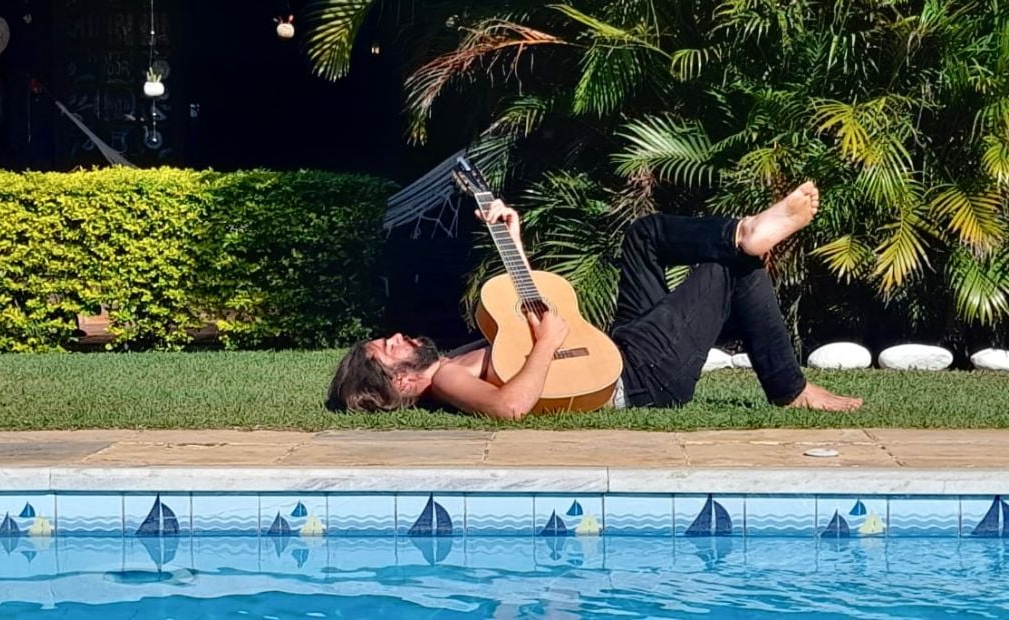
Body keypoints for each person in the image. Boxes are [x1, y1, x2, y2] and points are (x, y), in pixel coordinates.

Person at [326, 181, 863, 419]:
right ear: (399, 382)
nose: (396, 337)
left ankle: (741, 230)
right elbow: (511, 406)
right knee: (730, 270)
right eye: (387, 349)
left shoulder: (451, 360)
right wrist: (549, 343)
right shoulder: (443, 378)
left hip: (620, 351)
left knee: (646, 233)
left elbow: (524, 315)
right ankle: (790, 389)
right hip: (642, 380)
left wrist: (512, 242)